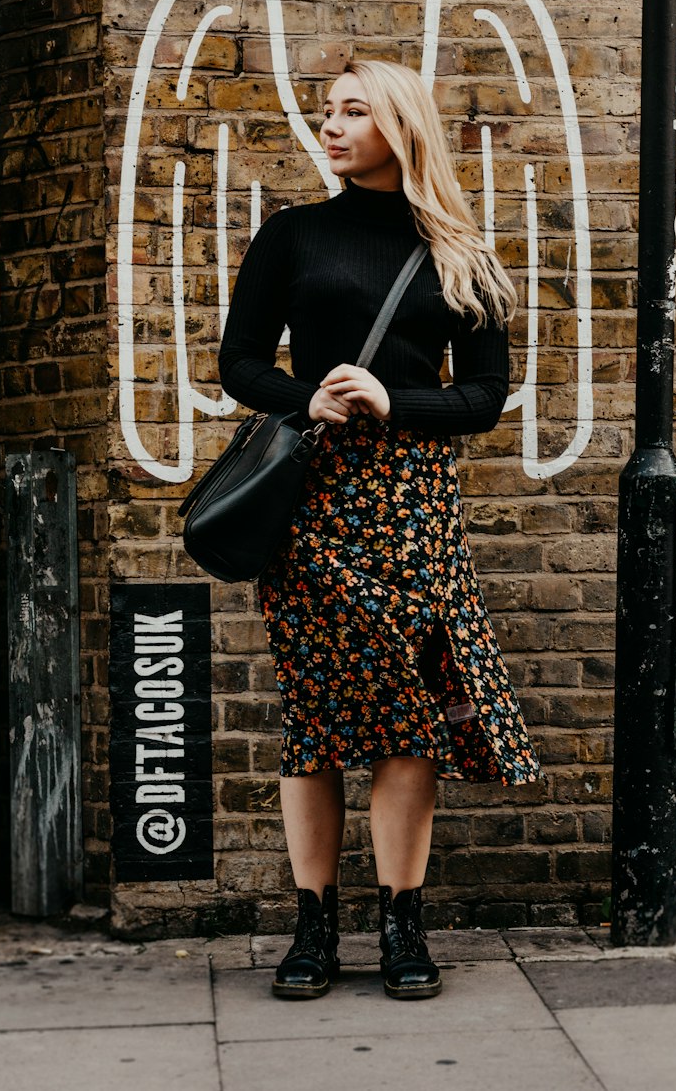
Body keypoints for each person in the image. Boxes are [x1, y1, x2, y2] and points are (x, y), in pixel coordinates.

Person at [219, 60, 541, 1001]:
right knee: (315, 717)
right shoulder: (292, 236)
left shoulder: (461, 251)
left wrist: (392, 398)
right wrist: (309, 397)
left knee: (410, 719)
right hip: (313, 503)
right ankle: (313, 924)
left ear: (400, 126)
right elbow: (239, 361)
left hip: (412, 506)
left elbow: (485, 397)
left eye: (354, 111)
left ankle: (403, 919)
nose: (332, 126)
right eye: (329, 112)